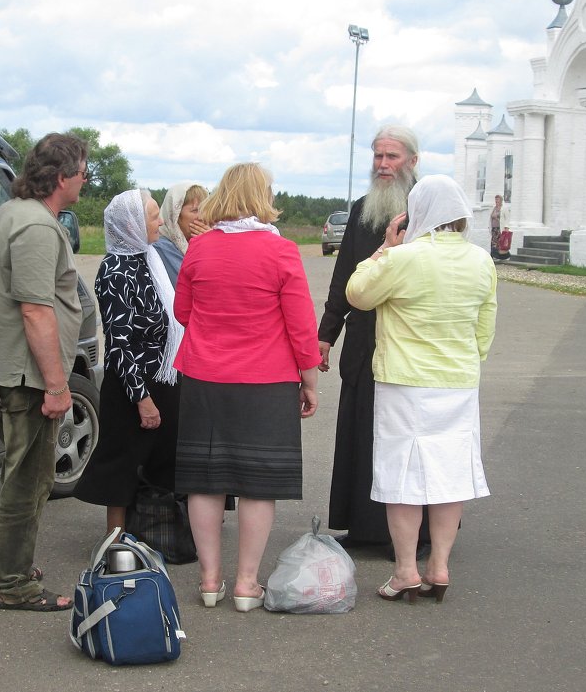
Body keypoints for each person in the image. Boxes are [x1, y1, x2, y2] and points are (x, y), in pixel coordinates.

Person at [174, 162, 320, 612]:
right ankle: (246, 585)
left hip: (204, 378)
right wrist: (309, 380)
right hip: (266, 381)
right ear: (263, 196)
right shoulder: (282, 252)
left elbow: (183, 311)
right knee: (258, 485)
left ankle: (209, 581)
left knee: (205, 480)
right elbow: (301, 326)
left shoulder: (198, 248)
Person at [346, 174, 497, 605]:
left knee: (403, 477)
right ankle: (440, 566)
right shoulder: (481, 261)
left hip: (405, 382)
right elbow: (484, 329)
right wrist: (465, 359)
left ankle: (406, 570)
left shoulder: (404, 258)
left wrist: (384, 249)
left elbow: (357, 294)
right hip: (458, 382)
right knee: (449, 475)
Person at [0, 132, 88, 612]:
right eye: (81, 173)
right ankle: (12, 583)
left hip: (11, 368)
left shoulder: (14, 212)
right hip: (24, 375)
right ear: (60, 178)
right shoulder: (35, 226)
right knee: (27, 478)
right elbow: (36, 311)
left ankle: (14, 564)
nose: (84, 181)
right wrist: (57, 386)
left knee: (28, 474)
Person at [317, 125, 422, 553]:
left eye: (392, 157)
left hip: (411, 343)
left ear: (412, 161)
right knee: (361, 432)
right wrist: (325, 335)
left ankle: (418, 532)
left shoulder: (428, 209)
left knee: (407, 438)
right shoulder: (362, 210)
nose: (383, 165)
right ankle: (363, 526)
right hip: (364, 344)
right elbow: (343, 280)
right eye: (378, 156)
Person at [74, 189, 181, 532]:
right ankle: (115, 544)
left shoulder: (150, 260)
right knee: (121, 470)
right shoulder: (116, 269)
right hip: (133, 386)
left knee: (159, 466)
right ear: (132, 223)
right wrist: (142, 399)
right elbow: (119, 344)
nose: (161, 220)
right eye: (153, 216)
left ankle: (152, 537)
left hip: (163, 379)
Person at [152, 182, 210, 286]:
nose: (202, 217)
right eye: (195, 210)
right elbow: (195, 284)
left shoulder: (194, 242)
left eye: (205, 209)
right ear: (175, 216)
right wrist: (208, 248)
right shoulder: (161, 247)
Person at [490, 194, 509, 260]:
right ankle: (493, 256)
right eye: (495, 199)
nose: (496, 201)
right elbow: (491, 217)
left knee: (500, 243)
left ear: (501, 200)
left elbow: (507, 218)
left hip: (500, 228)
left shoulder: (504, 208)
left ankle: (501, 256)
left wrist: (506, 227)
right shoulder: (493, 208)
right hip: (494, 228)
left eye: (497, 199)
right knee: (493, 242)